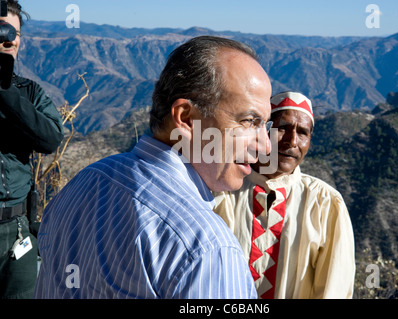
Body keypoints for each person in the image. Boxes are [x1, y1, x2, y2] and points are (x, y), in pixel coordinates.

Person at [34, 36, 273, 299]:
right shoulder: (206, 247)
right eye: (249, 121)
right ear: (187, 118)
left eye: (265, 124)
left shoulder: (84, 182)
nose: (265, 147)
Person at [213, 91, 355, 299]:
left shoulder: (324, 203)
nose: (292, 141)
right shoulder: (222, 190)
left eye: (303, 133)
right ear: (262, 131)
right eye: (282, 128)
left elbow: (335, 289)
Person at [0, 0, 64, 299]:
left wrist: (6, 93)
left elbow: (49, 140)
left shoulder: (28, 92)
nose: (8, 38)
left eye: (14, 32)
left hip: (16, 228)